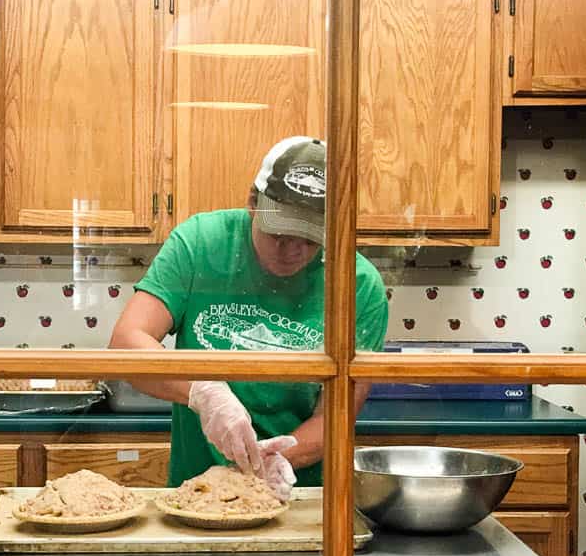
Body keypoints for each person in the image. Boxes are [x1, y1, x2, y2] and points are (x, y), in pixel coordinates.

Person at [108, 136, 388, 501]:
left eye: (310, 237)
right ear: (253, 204)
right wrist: (203, 390)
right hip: (195, 495)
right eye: (280, 233)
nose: (293, 250)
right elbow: (126, 342)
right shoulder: (200, 243)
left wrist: (271, 461)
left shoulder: (358, 285)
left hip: (297, 498)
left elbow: (333, 417)